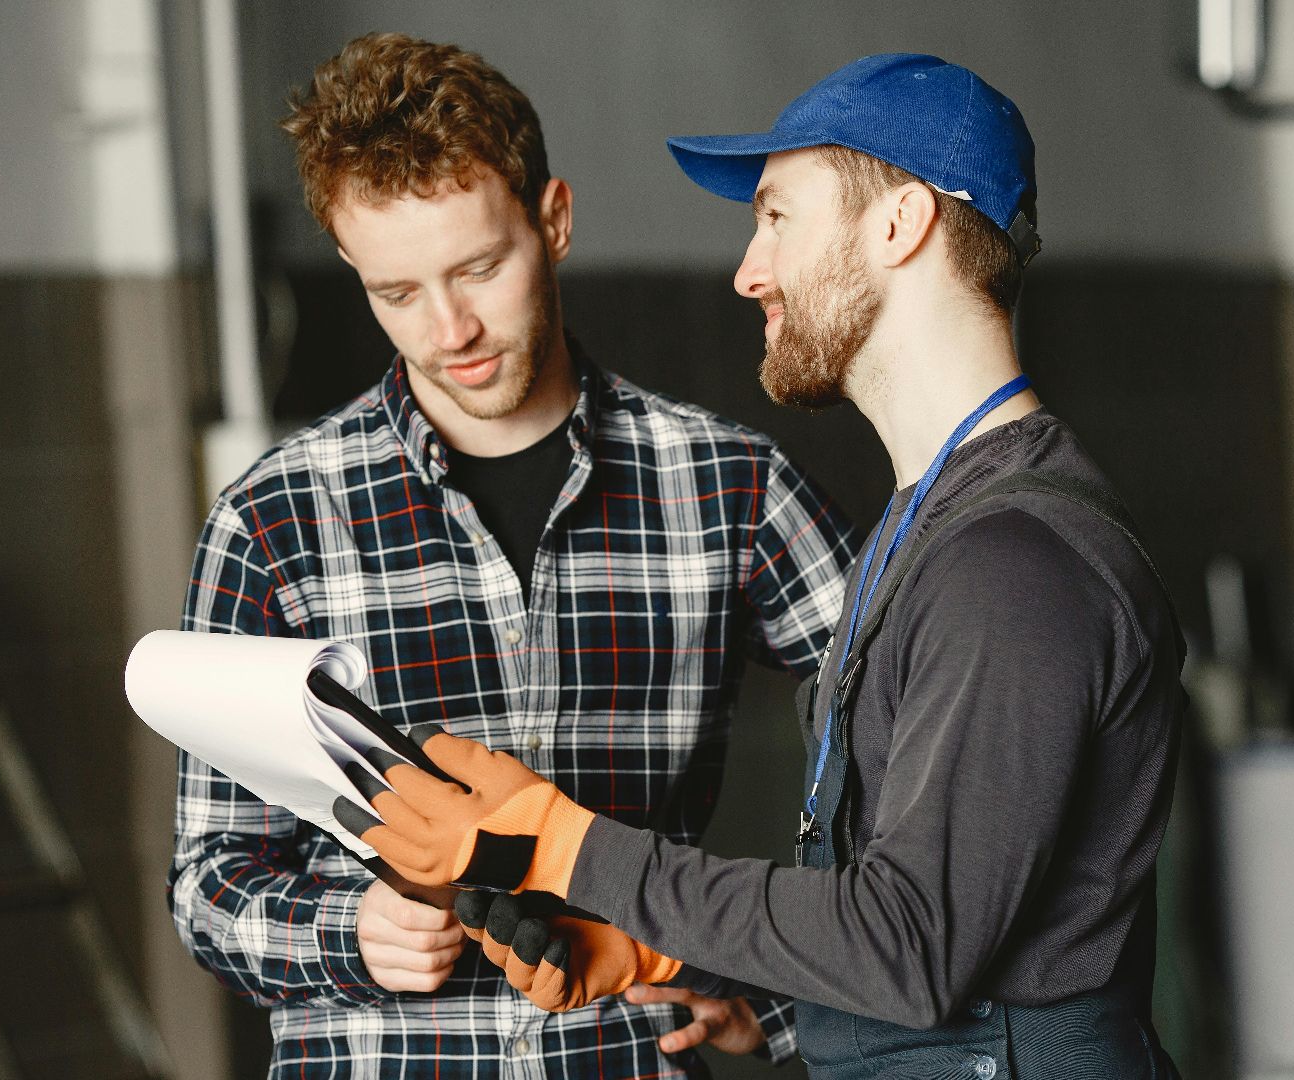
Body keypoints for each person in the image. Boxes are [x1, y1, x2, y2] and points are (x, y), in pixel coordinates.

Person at [345, 53, 1188, 1077]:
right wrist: (675, 954)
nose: (749, 269)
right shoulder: (929, 527)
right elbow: (909, 914)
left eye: (778, 218)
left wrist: (565, 844)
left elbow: (912, 944)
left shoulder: (1013, 567)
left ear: (900, 223)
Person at [168, 32, 855, 1078]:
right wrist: (349, 931)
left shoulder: (727, 484)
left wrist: (783, 996)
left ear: (555, 220)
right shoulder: (273, 520)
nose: (449, 329)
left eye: (479, 268)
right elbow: (208, 879)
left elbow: (913, 764)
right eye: (396, 293)